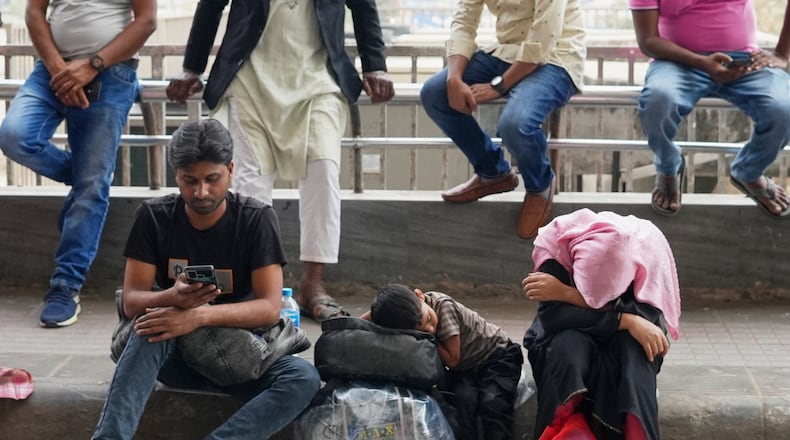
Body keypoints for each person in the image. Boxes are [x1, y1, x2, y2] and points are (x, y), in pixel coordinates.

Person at [166, 0, 395, 323]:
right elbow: (210, 6)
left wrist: (375, 67)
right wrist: (192, 67)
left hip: (319, 81)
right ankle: (261, 286)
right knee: (248, 186)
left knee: (324, 174)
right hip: (248, 81)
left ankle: (313, 285)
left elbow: (363, 8)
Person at [91, 119, 320, 439]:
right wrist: (170, 298)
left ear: (230, 170)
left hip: (241, 354)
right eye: (190, 181)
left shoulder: (256, 220)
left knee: (303, 378)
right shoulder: (153, 217)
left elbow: (269, 308)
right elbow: (132, 301)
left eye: (212, 179)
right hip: (170, 356)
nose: (201, 192)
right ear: (177, 177)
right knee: (155, 324)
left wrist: (198, 316)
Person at [0, 0, 156, 328]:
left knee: (92, 186)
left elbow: (146, 22)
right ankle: (87, 180)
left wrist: (93, 65)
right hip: (51, 72)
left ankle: (65, 286)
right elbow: (34, 13)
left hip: (111, 74)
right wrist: (59, 69)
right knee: (15, 136)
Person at [419, 0, 586, 239]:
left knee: (515, 123)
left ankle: (540, 186)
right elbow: (465, 19)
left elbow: (543, 37)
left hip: (557, 56)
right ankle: (493, 172)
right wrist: (454, 78)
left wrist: (499, 85)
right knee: (435, 93)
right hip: (507, 51)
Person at [522, 208, 681, 440]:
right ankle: (561, 431)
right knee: (568, 347)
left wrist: (568, 295)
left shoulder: (648, 253)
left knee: (637, 350)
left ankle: (638, 433)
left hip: (620, 343)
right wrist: (624, 319)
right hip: (567, 338)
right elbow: (553, 318)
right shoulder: (558, 248)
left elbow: (648, 327)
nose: (596, 300)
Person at [631, 0, 790, 217]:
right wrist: (702, 62)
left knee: (783, 108)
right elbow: (648, 41)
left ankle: (749, 171)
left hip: (744, 59)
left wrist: (782, 53)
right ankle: (669, 166)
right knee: (657, 101)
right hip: (676, 62)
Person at [364, 284, 523, 440]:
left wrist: (429, 338)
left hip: (498, 355)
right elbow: (373, 315)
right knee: (462, 405)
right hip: (467, 368)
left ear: (420, 295)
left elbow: (453, 360)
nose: (431, 329)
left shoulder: (444, 308)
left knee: (492, 405)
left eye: (428, 319)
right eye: (423, 331)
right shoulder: (412, 311)